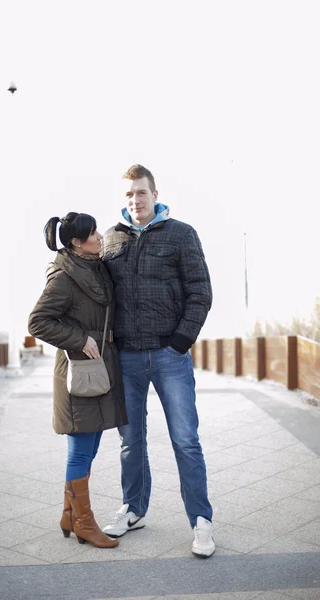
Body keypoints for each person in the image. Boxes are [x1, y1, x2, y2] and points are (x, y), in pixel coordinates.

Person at [101, 165, 215, 557]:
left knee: (186, 440)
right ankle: (133, 509)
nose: (136, 200)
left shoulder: (182, 234)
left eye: (141, 192)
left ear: (155, 193)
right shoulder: (110, 239)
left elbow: (201, 290)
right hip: (127, 358)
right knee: (130, 442)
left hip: (170, 355)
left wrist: (181, 341)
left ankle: (201, 521)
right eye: (130, 194)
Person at [28, 212, 128, 549]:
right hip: (79, 371)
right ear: (75, 242)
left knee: (91, 444)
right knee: (81, 448)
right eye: (92, 233)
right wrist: (77, 339)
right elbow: (38, 322)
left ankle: (70, 514)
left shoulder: (93, 267)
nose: (99, 236)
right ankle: (84, 522)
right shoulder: (64, 277)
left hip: (98, 369)